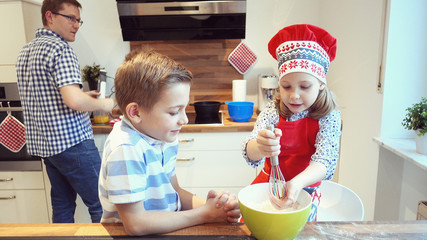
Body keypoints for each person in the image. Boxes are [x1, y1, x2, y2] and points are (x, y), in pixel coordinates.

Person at [98, 49, 241, 236]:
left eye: (184, 109)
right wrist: (204, 214)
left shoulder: (162, 137)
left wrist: (217, 208)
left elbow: (175, 193)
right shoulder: (126, 148)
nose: (184, 120)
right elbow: (136, 224)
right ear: (135, 112)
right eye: (174, 112)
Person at [16, 0, 114, 223]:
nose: (76, 25)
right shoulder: (61, 50)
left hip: (47, 147)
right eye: (70, 18)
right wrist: (104, 104)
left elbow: (47, 96)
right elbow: (74, 102)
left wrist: (82, 96)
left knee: (62, 204)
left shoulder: (25, 52)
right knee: (102, 204)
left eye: (78, 20)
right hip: (73, 143)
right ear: (50, 16)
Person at [242, 24, 342, 221]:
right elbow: (251, 153)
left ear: (321, 83)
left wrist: (296, 184)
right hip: (268, 187)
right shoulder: (273, 110)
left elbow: (325, 162)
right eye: (286, 86)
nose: (294, 95)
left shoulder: (329, 116)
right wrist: (260, 146)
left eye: (305, 86)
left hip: (306, 190)